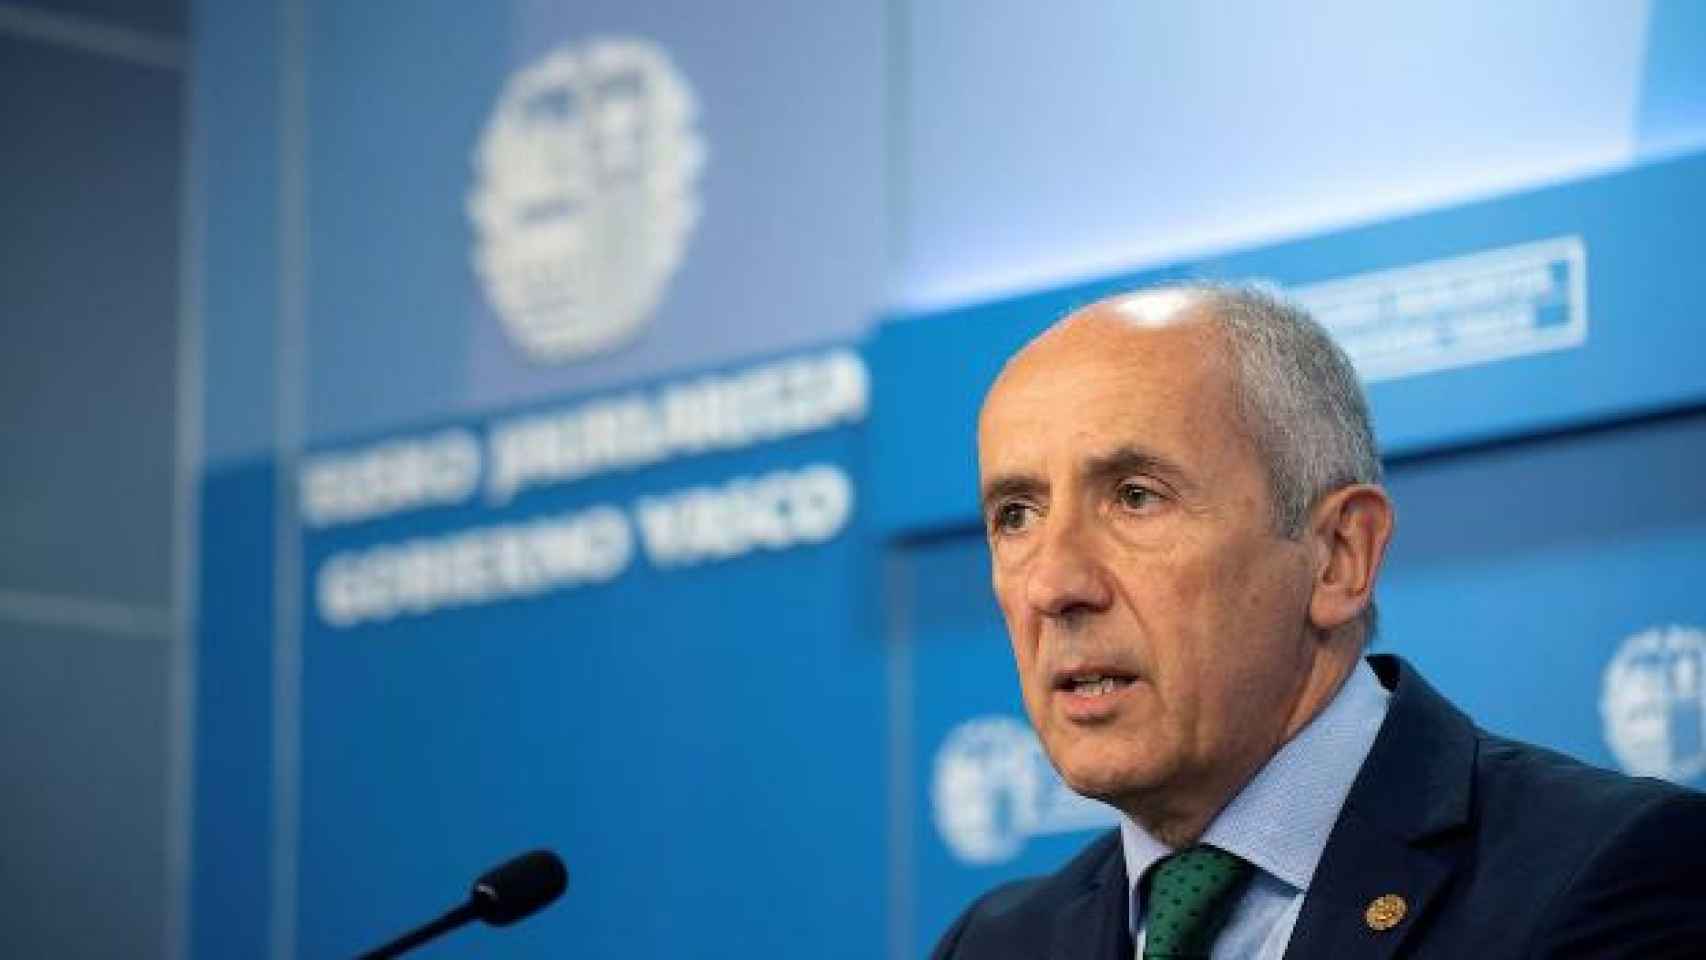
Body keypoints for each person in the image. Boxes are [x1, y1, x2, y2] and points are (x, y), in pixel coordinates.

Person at [933, 283, 1706, 959]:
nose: (1054, 585)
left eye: (1136, 497)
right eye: (1016, 515)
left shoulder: (1607, 876)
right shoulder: (995, 944)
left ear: (1338, 555)